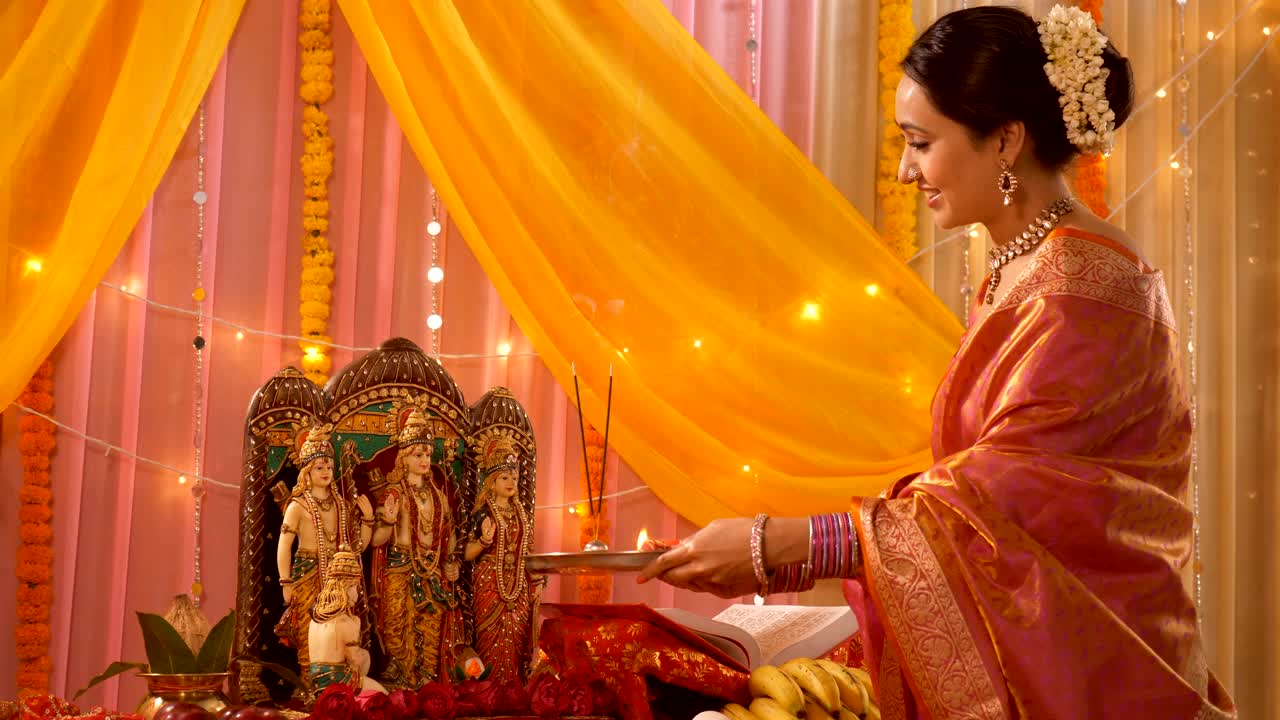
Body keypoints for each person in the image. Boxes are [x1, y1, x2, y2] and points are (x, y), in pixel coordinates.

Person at [640, 6, 1236, 719]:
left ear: (1006, 140)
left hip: (1100, 677)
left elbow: (993, 510)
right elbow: (969, 501)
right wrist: (788, 555)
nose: (903, 168)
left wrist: (776, 547)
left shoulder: (1085, 297)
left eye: (921, 143)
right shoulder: (1021, 274)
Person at [368, 403, 465, 688]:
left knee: (431, 627)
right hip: (399, 568)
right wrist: (385, 521)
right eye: (418, 454)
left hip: (432, 570)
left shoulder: (438, 494)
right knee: (397, 627)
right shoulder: (394, 491)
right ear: (404, 458)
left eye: (427, 454)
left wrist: (450, 562)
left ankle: (426, 682)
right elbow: (376, 541)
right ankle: (400, 682)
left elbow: (449, 533)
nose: (425, 459)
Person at [277, 423, 375, 676]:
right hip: (308, 573)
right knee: (309, 627)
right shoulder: (297, 506)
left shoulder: (341, 505)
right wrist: (286, 582)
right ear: (307, 472)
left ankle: (336, 680)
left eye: (330, 467)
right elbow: (284, 546)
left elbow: (358, 548)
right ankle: (310, 683)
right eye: (320, 468)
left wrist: (368, 520)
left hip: (338, 576)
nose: (326, 472)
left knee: (339, 628)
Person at [463, 436, 544, 685]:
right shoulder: (483, 514)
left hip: (518, 585)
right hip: (489, 584)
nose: (512, 482)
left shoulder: (522, 515)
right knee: (490, 636)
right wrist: (485, 542)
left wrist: (538, 578)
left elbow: (527, 551)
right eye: (505, 477)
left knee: (517, 637)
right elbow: (467, 554)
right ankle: (489, 689)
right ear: (492, 482)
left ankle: (513, 688)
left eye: (514, 477)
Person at [307, 547, 387, 693]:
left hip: (316, 686)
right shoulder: (347, 622)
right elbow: (355, 662)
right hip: (340, 682)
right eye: (355, 588)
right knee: (382, 694)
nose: (357, 594)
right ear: (346, 587)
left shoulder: (314, 621)